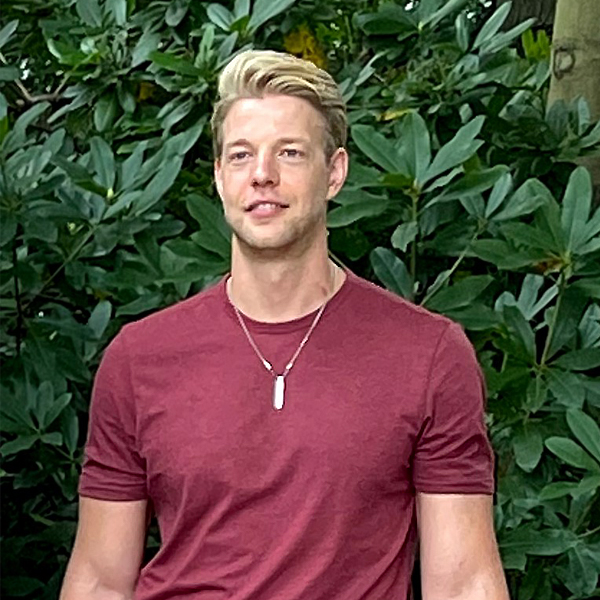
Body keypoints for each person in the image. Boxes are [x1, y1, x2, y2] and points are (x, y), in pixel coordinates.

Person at [60, 50, 510, 600]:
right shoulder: (139, 358)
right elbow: (100, 579)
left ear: (335, 172)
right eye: (241, 155)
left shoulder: (427, 354)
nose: (263, 175)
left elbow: (464, 584)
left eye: (290, 153)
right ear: (220, 176)